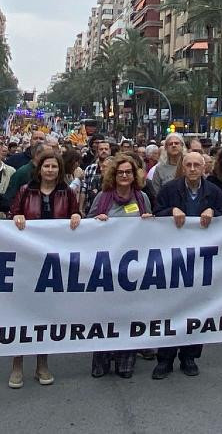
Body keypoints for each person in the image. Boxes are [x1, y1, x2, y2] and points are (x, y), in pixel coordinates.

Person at [151, 151, 222, 379]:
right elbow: (155, 214)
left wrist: (214, 212)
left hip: (201, 260)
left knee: (196, 309)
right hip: (173, 259)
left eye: (197, 165)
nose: (193, 169)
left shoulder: (214, 192)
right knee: (170, 309)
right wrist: (169, 211)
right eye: (189, 165)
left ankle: (189, 356)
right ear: (183, 168)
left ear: (204, 168)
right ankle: (165, 358)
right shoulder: (169, 190)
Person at [9, 152, 82, 389]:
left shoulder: (66, 193)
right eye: (46, 166)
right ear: (39, 169)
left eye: (54, 166)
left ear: (59, 170)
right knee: (21, 312)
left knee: (45, 314)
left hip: (53, 262)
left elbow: (76, 216)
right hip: (27, 260)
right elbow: (12, 215)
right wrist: (17, 216)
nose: (50, 170)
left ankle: (42, 363)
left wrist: (76, 216)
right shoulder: (25, 191)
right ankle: (17, 364)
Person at [86, 154, 153, 379]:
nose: (124, 176)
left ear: (134, 175)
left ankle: (126, 357)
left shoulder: (142, 198)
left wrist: (149, 222)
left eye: (128, 172)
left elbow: (151, 230)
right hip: (106, 265)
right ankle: (102, 357)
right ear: (113, 175)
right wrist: (97, 221)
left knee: (129, 312)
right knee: (105, 313)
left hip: (132, 268)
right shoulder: (103, 198)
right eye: (120, 172)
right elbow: (88, 224)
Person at [81, 139, 112, 213]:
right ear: (97, 151)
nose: (104, 151)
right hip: (90, 207)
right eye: (101, 149)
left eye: (106, 149)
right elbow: (84, 190)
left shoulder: (116, 168)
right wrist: (81, 209)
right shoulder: (89, 168)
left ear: (110, 151)